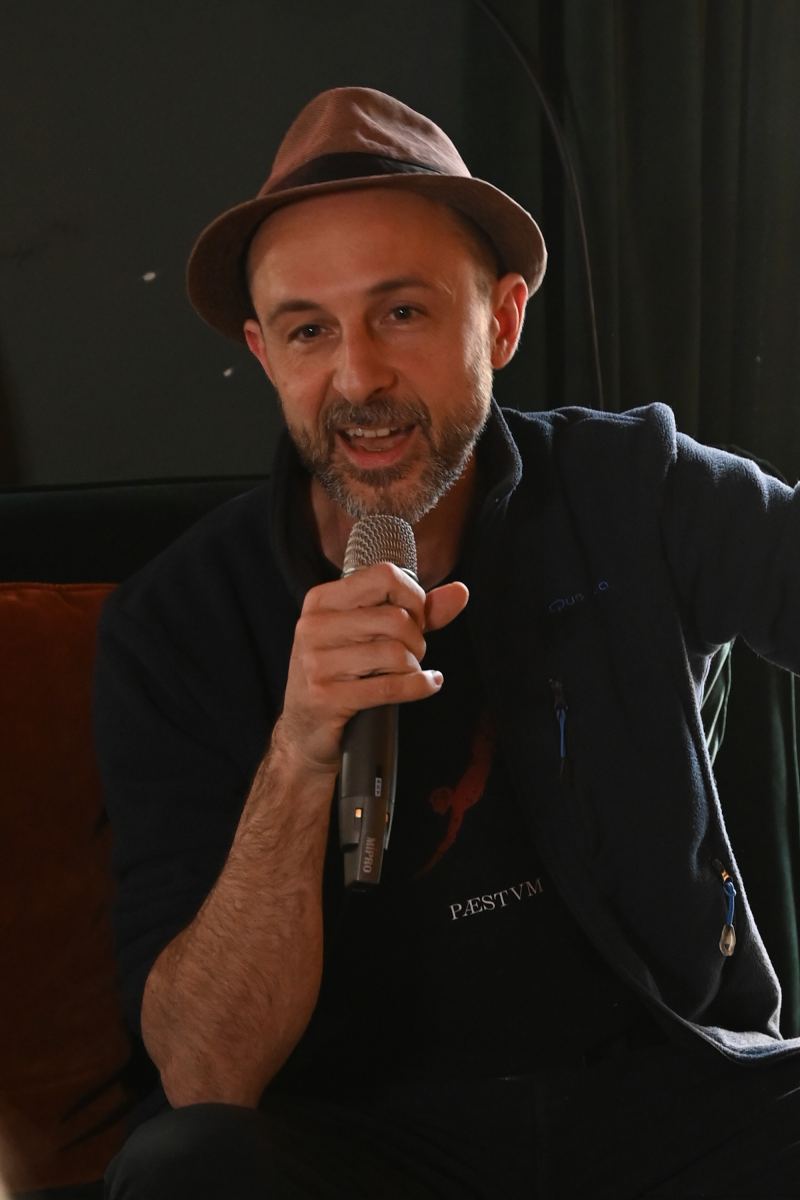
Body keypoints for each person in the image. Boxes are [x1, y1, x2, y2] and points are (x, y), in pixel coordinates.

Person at [96, 87, 800, 1199]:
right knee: (185, 1167)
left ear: (502, 321)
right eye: (309, 330)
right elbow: (204, 1073)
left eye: (402, 313)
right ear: (263, 351)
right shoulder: (175, 623)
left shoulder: (637, 487)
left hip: (666, 1097)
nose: (358, 378)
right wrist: (301, 749)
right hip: (363, 1143)